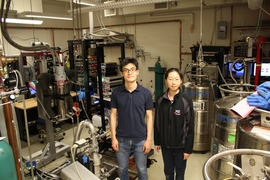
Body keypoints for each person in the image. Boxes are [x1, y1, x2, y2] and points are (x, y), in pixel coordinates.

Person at [110, 57, 153, 180]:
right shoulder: (116, 93)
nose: (130, 72)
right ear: (121, 73)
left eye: (132, 69)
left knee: (142, 169)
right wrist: (113, 137)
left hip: (140, 139)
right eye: (126, 70)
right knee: (122, 169)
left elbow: (149, 117)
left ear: (137, 71)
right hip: (121, 139)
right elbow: (113, 115)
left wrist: (148, 139)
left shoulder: (145, 93)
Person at [154, 68, 194, 180]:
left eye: (176, 79)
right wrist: (157, 141)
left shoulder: (186, 100)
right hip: (165, 145)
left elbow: (190, 126)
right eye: (170, 79)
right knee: (168, 171)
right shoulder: (160, 99)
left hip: (181, 145)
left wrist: (188, 149)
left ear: (181, 80)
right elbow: (157, 121)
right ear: (166, 80)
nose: (173, 82)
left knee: (180, 172)